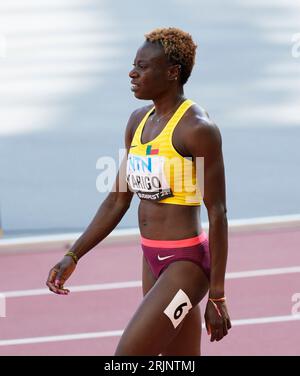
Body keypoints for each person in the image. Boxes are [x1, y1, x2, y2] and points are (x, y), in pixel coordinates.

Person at [46, 27, 231, 356]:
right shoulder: (137, 122)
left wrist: (217, 295)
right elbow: (118, 198)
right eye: (134, 65)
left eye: (143, 67)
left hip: (186, 265)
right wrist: (73, 254)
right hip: (151, 260)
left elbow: (217, 212)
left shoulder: (197, 129)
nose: (132, 73)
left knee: (127, 358)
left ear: (172, 72)